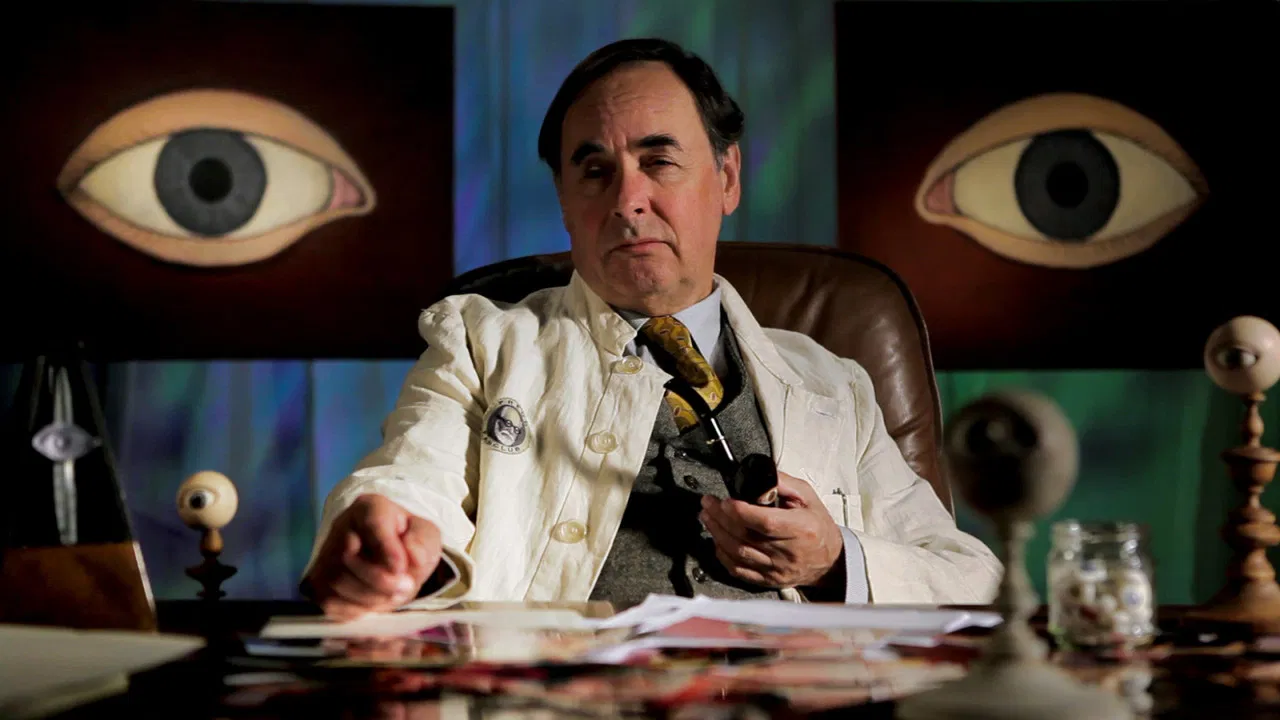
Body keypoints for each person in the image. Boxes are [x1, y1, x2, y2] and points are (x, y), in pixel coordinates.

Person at [302, 38, 1000, 619]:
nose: (628, 200)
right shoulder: (481, 342)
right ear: (564, 201)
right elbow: (410, 478)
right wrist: (386, 537)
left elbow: (972, 578)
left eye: (659, 161)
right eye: (595, 171)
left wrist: (835, 560)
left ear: (727, 177)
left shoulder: (833, 384)